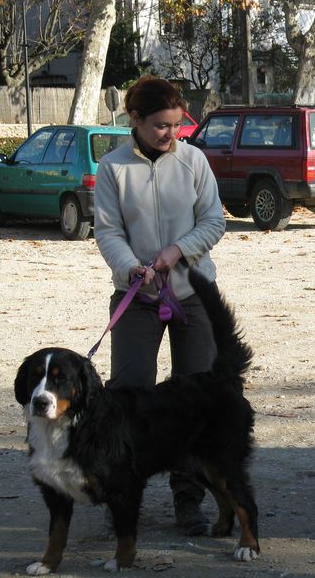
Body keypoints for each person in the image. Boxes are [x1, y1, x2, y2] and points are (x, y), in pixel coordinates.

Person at [94, 75, 227, 534]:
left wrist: (177, 251)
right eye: (161, 126)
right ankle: (120, 494)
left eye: (176, 125)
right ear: (135, 119)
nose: (172, 134)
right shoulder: (112, 167)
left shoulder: (194, 161)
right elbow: (107, 231)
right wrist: (131, 266)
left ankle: (189, 500)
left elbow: (214, 221)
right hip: (137, 297)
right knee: (127, 396)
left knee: (195, 400)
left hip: (193, 295)